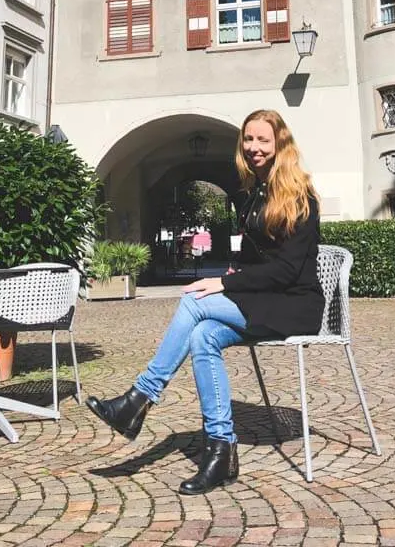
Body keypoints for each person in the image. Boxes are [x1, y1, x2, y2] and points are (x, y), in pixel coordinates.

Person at [85, 109, 324, 495]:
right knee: (203, 337)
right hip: (264, 299)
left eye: (263, 140)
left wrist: (224, 285)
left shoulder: (301, 197)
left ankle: (139, 398)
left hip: (296, 305)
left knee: (195, 300)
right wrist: (232, 277)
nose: (254, 147)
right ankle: (221, 451)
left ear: (281, 144)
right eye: (249, 139)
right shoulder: (252, 195)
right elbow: (251, 262)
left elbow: (286, 271)